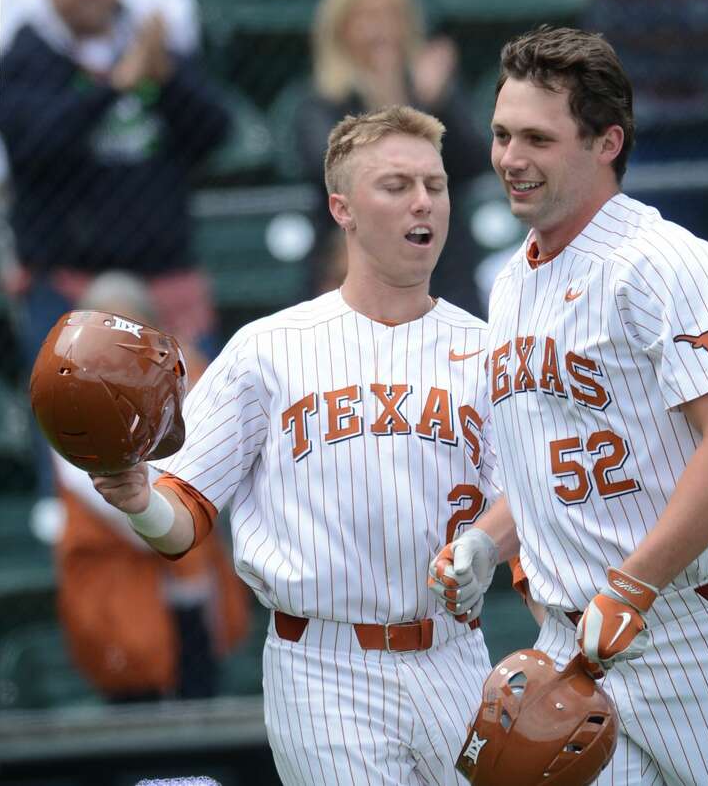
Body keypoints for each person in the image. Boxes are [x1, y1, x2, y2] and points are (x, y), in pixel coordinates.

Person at [430, 26, 708, 785]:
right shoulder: (511, 281)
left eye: (538, 138)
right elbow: (557, 462)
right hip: (573, 648)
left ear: (607, 142)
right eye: (504, 134)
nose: (510, 157)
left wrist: (633, 582)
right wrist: (487, 538)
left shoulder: (667, 263)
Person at [90, 106, 499, 784]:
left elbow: (527, 498)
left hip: (456, 654)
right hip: (324, 663)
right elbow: (182, 515)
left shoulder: (487, 349)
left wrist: (492, 540)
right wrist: (138, 498)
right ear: (342, 208)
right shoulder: (267, 349)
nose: (423, 200)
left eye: (436, 183)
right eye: (395, 185)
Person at [0, 0, 229, 509]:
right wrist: (116, 86)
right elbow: (33, 143)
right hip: (69, 293)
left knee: (201, 454)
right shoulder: (28, 54)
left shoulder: (157, 46)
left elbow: (216, 131)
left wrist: (163, 75)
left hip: (168, 289)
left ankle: (195, 579)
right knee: (77, 468)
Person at [54, 271, 250, 703]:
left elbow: (212, 480)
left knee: (200, 711)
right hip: (123, 596)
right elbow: (119, 503)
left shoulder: (189, 379)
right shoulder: (63, 395)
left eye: (124, 329)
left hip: (195, 593)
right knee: (136, 717)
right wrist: (164, 509)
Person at [292, 0, 490, 314]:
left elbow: (473, 160)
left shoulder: (434, 91)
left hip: (440, 264)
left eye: (391, 16)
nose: (380, 30)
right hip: (352, 263)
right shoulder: (319, 102)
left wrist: (435, 102)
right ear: (341, 30)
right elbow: (334, 166)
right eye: (367, 18)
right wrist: (399, 100)